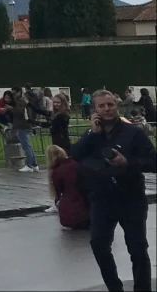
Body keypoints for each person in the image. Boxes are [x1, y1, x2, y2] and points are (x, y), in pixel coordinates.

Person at [71, 88, 156, 292]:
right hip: (102, 198)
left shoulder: (133, 132)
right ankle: (114, 287)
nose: (107, 109)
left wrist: (128, 162)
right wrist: (92, 133)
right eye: (101, 106)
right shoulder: (93, 134)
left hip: (130, 197)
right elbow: (75, 155)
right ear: (95, 110)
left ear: (117, 106)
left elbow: (153, 161)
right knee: (98, 244)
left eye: (110, 104)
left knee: (137, 248)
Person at [47, 145, 89, 230]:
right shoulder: (76, 164)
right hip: (88, 211)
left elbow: (58, 191)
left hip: (71, 217)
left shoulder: (57, 172)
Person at [10, 87, 39, 172]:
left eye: (15, 93)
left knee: (26, 146)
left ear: (19, 92)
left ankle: (29, 165)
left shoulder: (21, 101)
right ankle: (34, 164)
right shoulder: (23, 100)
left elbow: (19, 112)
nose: (13, 95)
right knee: (28, 146)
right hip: (25, 125)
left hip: (22, 125)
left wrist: (11, 109)